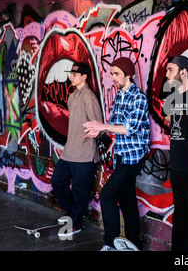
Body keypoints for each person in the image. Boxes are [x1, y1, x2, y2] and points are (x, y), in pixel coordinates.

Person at [83, 57, 150, 251]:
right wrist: (100, 130)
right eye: (112, 73)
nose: (113, 77)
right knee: (128, 199)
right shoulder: (120, 95)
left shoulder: (138, 97)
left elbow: (130, 127)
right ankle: (133, 243)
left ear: (128, 75)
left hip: (134, 157)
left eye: (117, 74)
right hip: (122, 155)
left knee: (107, 194)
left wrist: (102, 126)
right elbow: (114, 124)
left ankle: (111, 244)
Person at [51, 62, 103, 237]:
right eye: (71, 74)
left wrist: (93, 136)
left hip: (84, 153)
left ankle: (75, 221)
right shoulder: (72, 97)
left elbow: (98, 126)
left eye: (75, 74)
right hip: (69, 151)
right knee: (57, 182)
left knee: (80, 191)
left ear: (84, 77)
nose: (71, 76)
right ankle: (74, 213)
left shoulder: (89, 97)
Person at [163, 55, 188, 251]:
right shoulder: (175, 96)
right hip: (176, 166)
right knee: (179, 213)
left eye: (170, 69)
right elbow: (170, 118)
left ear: (183, 72)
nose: (167, 73)